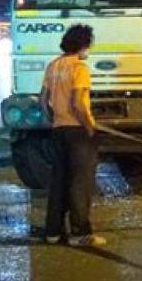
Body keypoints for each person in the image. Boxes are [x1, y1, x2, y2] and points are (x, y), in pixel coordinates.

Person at [40, 24, 105, 246]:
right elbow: (78, 103)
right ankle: (80, 233)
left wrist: (54, 119)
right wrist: (90, 128)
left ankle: (53, 232)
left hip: (58, 130)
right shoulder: (80, 68)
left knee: (59, 181)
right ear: (83, 45)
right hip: (78, 132)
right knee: (80, 183)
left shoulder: (53, 66)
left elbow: (42, 100)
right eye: (88, 45)